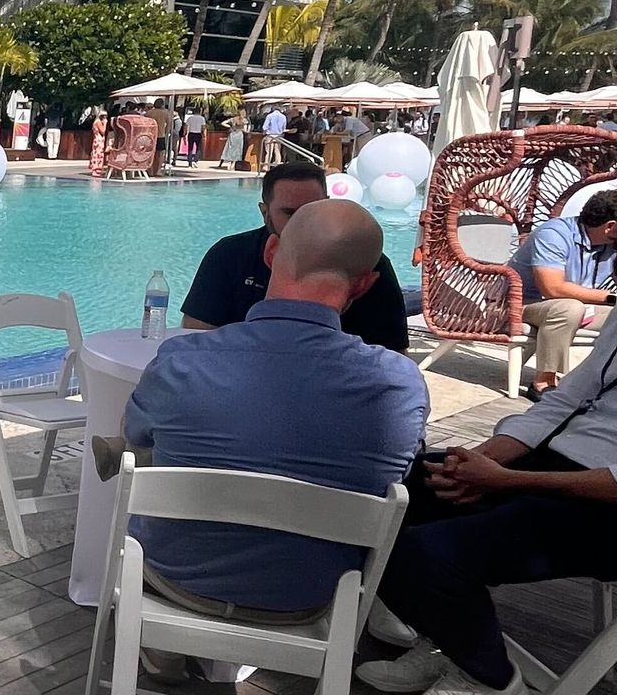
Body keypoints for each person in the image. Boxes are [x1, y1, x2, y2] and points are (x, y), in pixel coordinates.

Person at [123, 200, 427, 623]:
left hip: (172, 579)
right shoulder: (398, 386)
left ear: (270, 254)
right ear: (364, 285)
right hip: (310, 599)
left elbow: (136, 435)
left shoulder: (182, 361)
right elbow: (400, 472)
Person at [354, 321, 617, 695]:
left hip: (605, 505)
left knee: (431, 554)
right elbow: (566, 401)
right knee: (395, 493)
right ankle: (448, 640)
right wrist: (473, 465)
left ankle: (487, 677)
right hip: (559, 459)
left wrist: (505, 480)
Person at [182, 161, 410, 351]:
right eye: (290, 213)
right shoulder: (230, 255)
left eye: (312, 208)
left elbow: (393, 352)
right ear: (265, 212)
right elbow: (196, 336)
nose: (304, 221)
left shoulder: (367, 263)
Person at [505, 193, 617, 398]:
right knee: (569, 308)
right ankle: (543, 381)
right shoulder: (554, 234)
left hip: (578, 307)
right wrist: (610, 298)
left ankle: (608, 382)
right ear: (610, 226)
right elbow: (552, 289)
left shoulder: (611, 245)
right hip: (521, 306)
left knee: (575, 308)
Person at [261, 103, 287, 168]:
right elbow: (284, 128)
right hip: (279, 136)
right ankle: (277, 166)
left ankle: (266, 166)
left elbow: (264, 127)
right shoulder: (283, 117)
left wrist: (264, 133)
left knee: (269, 152)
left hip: (270, 135)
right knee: (277, 151)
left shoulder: (269, 116)